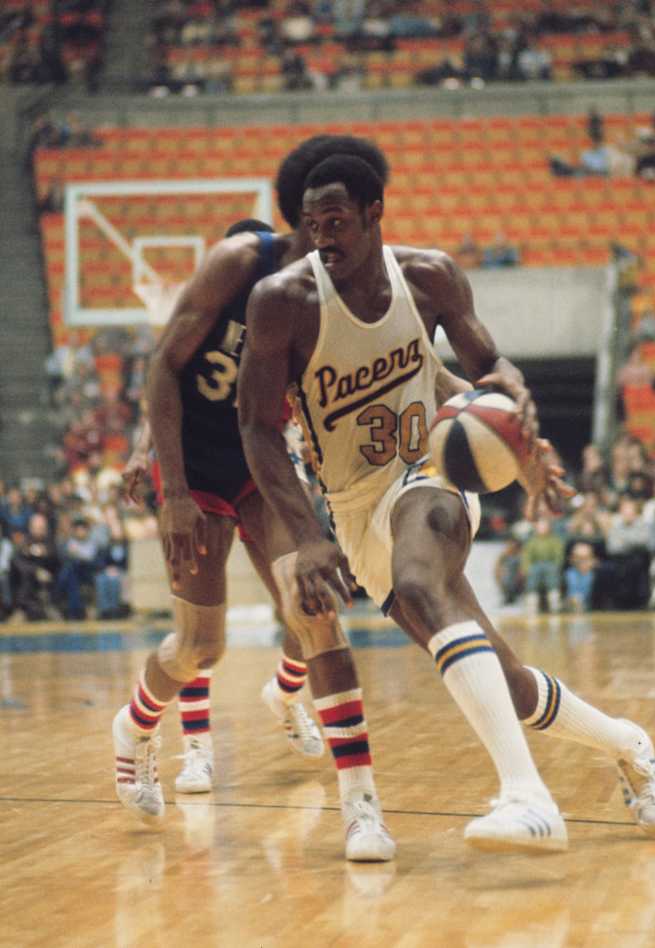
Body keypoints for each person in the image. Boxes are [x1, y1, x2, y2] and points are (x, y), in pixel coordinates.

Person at [239, 153, 655, 854]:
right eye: (312, 224)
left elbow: (489, 366)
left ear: (375, 213)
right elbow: (256, 427)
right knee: (507, 686)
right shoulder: (282, 303)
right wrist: (307, 534)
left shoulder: (431, 276)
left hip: (430, 469)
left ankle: (529, 799)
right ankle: (627, 744)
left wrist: (518, 410)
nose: (323, 237)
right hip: (353, 509)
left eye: (338, 221)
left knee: (419, 575)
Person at [114, 135, 397, 863]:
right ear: (304, 223)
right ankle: (136, 728)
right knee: (200, 645)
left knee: (315, 614)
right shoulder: (240, 264)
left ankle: (361, 807)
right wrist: (167, 486)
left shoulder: (333, 291)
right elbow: (161, 368)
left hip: (261, 463)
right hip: (194, 466)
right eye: (324, 225)